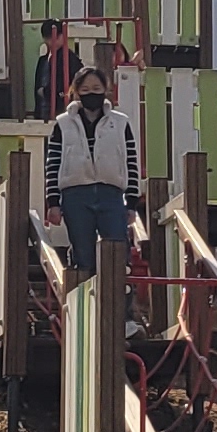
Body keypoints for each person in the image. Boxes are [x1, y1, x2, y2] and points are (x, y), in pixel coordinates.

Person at [43, 60, 143, 274]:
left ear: (105, 90)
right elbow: (53, 163)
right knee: (83, 255)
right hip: (75, 195)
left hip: (111, 194)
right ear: (76, 92)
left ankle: (120, 294)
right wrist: (53, 202)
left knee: (117, 250)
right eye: (85, 89)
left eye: (97, 88)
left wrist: (132, 203)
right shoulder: (63, 124)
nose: (91, 94)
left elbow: (131, 162)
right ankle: (83, 292)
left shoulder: (121, 123)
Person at [33, 14, 79, 122]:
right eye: (48, 37)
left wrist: (48, 92)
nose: (51, 41)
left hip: (62, 107)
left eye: (56, 36)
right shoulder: (43, 60)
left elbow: (70, 83)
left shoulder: (69, 58)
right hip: (44, 108)